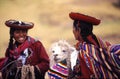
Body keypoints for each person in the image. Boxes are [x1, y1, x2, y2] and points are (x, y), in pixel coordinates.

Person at [68, 12, 120, 79]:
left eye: (74, 28)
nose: (73, 31)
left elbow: (86, 76)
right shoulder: (99, 43)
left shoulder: (84, 51)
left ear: (79, 30)